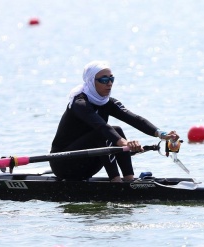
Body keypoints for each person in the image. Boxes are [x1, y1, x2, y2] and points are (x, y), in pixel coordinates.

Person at [50, 60, 180, 182]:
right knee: (107, 132)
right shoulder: (80, 103)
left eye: (111, 78)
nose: (109, 83)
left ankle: (129, 180)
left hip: (89, 163)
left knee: (116, 131)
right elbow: (102, 127)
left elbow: (135, 119)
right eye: (104, 79)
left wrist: (162, 134)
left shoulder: (108, 102)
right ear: (90, 81)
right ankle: (116, 183)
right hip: (64, 163)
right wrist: (125, 143)